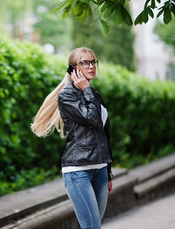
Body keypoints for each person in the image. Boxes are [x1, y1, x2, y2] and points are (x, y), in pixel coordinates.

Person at [31, 47, 113, 229]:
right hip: (78, 171)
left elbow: (104, 136)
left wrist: (107, 171)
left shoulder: (94, 95)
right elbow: (93, 120)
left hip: (99, 169)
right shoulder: (67, 95)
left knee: (94, 226)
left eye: (93, 62)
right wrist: (86, 89)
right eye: (85, 62)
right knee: (92, 227)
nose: (91, 66)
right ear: (73, 69)